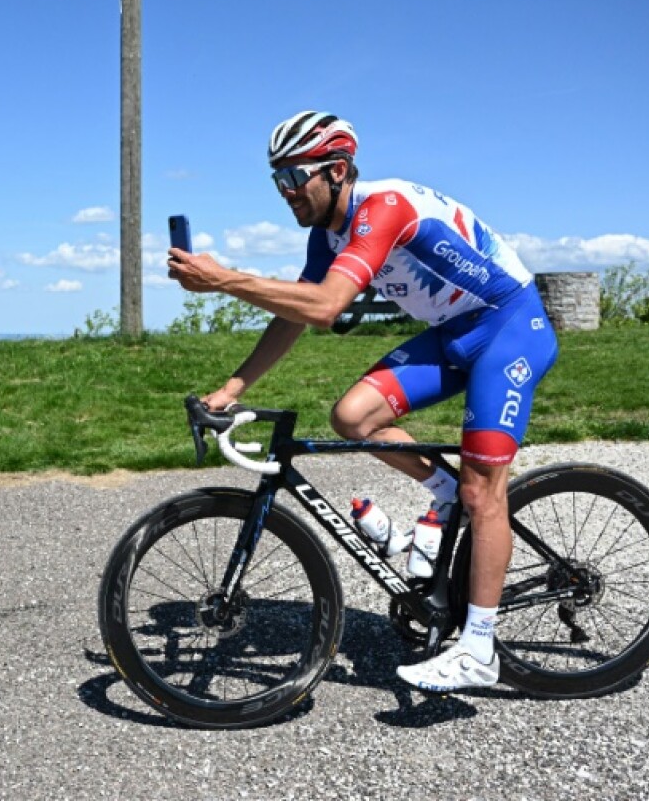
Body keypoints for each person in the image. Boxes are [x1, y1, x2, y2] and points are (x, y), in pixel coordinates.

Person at [165, 110, 559, 692]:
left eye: (293, 178)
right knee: (353, 417)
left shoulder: (384, 208)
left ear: (337, 170)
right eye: (277, 180)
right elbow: (295, 313)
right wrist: (232, 388)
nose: (285, 192)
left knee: (484, 491)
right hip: (454, 332)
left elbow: (327, 308)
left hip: (509, 328)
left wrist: (225, 279)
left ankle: (479, 648)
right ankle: (444, 490)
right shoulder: (327, 234)